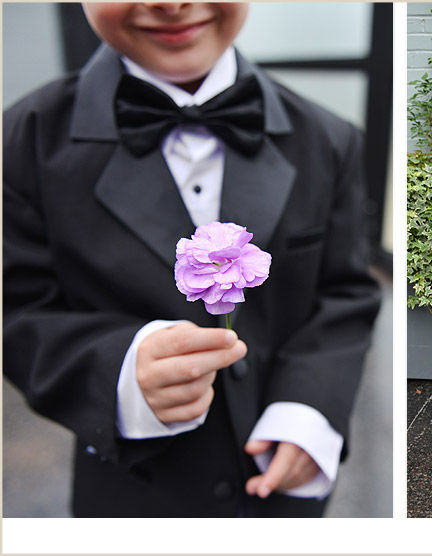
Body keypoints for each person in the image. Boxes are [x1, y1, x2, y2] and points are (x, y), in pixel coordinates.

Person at [3, 2, 381, 517]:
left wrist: (308, 411)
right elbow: (16, 308)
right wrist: (117, 372)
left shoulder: (329, 138)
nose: (172, 3)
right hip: (134, 494)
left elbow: (344, 294)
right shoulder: (22, 139)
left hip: (278, 487)